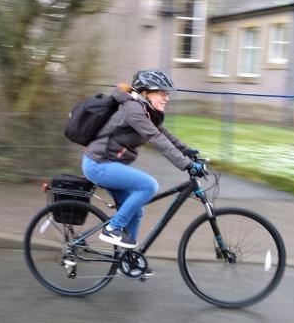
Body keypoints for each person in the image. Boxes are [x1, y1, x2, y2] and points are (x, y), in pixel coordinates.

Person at [82, 69, 206, 252]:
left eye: (167, 94)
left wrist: (188, 152)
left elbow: (165, 136)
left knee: (136, 210)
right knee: (148, 186)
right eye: (162, 93)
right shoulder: (134, 110)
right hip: (99, 164)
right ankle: (112, 229)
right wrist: (186, 165)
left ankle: (129, 259)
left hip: (109, 164)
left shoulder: (145, 110)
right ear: (146, 94)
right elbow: (157, 139)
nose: (166, 98)